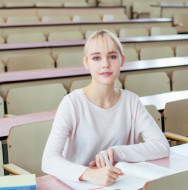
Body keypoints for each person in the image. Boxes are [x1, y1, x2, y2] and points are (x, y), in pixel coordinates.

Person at [42, 29, 170, 186]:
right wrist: (88, 174)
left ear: (122, 60)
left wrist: (116, 152)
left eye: (112, 56)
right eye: (96, 58)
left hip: (120, 183)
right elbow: (48, 160)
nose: (105, 64)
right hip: (79, 184)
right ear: (86, 63)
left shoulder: (131, 101)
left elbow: (161, 146)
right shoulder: (72, 103)